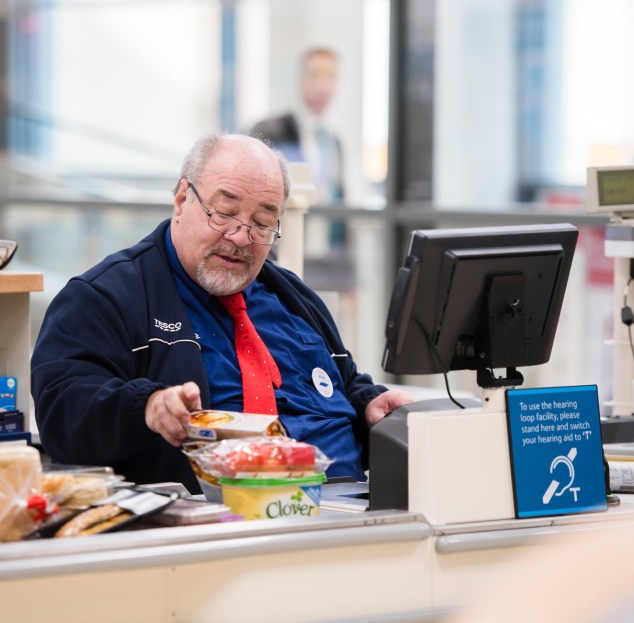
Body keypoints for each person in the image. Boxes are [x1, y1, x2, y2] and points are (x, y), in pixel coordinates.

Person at [31, 133, 414, 493]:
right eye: (225, 213)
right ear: (182, 200)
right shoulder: (104, 298)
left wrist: (368, 405)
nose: (241, 237)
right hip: (218, 528)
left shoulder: (295, 299)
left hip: (350, 511)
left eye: (263, 223)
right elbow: (62, 411)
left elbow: (343, 383)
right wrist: (144, 406)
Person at [251, 47, 345, 206]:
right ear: (301, 80)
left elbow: (338, 196)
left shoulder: (334, 142)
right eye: (315, 75)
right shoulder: (271, 131)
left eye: (330, 76)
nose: (323, 85)